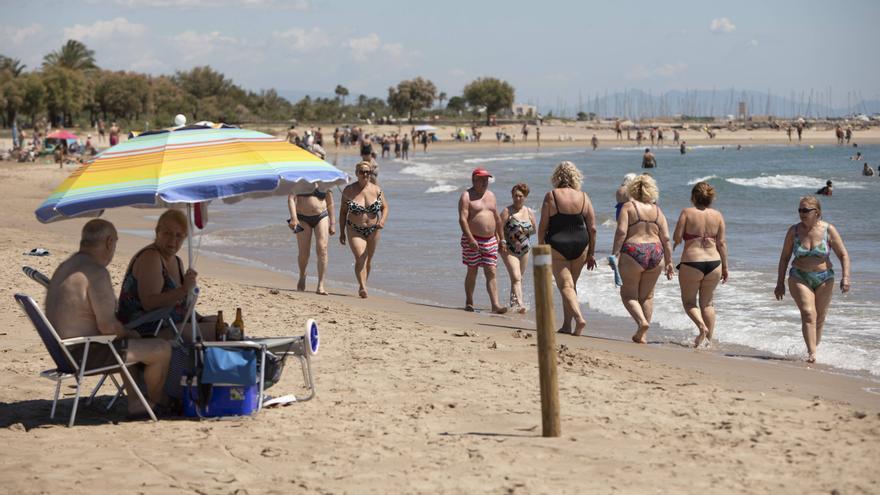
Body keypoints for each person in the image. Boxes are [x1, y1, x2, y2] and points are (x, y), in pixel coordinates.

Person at [46, 219, 171, 418]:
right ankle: (157, 404)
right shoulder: (95, 272)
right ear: (109, 242)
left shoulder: (65, 267)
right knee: (161, 349)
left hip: (63, 353)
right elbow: (108, 327)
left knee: (124, 343)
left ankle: (136, 402)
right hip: (84, 355)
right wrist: (130, 332)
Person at [117, 210, 217, 341]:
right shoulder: (151, 257)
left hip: (168, 323)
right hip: (143, 329)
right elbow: (149, 303)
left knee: (219, 323)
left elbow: (180, 305)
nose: (173, 240)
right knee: (217, 331)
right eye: (167, 233)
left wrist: (200, 319)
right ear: (157, 232)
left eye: (179, 235)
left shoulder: (177, 261)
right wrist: (183, 290)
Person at [774, 196, 851, 363]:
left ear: (817, 212)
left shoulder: (828, 230)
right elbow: (784, 258)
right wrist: (779, 283)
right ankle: (812, 354)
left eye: (805, 210)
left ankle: (813, 348)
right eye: (799, 210)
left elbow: (843, 255)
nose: (801, 213)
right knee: (809, 313)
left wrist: (846, 277)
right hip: (799, 276)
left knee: (820, 317)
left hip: (825, 278)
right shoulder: (794, 231)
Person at [612, 174, 674, 344]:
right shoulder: (658, 210)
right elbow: (666, 238)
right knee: (647, 297)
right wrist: (669, 261)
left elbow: (621, 232)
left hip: (634, 250)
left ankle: (642, 323)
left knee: (628, 295)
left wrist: (615, 253)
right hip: (656, 252)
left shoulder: (628, 207)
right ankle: (643, 335)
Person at [538, 161, 597, 335]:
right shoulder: (584, 197)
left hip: (558, 244)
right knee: (571, 286)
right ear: (576, 177)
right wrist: (591, 253)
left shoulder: (552, 195)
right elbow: (593, 228)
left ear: (556, 177)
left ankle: (579, 318)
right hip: (581, 244)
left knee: (565, 285)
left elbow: (542, 226)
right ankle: (566, 325)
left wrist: (541, 248)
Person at [672, 182, 729, 347]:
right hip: (714, 263)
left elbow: (677, 237)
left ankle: (701, 327)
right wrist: (725, 267)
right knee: (708, 303)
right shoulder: (718, 215)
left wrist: (676, 243)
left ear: (693, 197)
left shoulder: (687, 212)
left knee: (689, 302)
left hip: (692, 262)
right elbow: (722, 243)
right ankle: (708, 342)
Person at [458, 167, 507, 314]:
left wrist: (502, 239)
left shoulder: (491, 195)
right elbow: (462, 219)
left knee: (491, 271)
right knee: (472, 270)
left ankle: (495, 305)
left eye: (486, 179)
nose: (485, 182)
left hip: (490, 240)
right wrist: (470, 238)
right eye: (481, 179)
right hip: (472, 239)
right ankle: (469, 301)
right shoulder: (466, 196)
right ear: (474, 180)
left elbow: (497, 219)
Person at [339, 161, 388, 298]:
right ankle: (362, 287)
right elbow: (343, 212)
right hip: (354, 229)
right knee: (360, 257)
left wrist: (382, 221)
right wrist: (341, 232)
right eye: (362, 172)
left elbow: (385, 208)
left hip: (374, 229)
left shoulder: (377, 190)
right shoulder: (349, 190)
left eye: (368, 172)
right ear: (356, 173)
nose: (365, 174)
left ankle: (364, 283)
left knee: (368, 260)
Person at [287, 184, 336, 295]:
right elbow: (291, 199)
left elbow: (330, 203)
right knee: (304, 252)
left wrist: (333, 223)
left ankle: (321, 285)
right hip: (301, 218)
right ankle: (302, 274)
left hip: (321, 216)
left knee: (322, 248)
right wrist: (293, 218)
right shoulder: (299, 181)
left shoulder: (324, 181)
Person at [500, 183, 537, 313]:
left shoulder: (529, 211)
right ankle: (521, 305)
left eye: (520, 196)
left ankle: (513, 305)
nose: (517, 198)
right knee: (516, 277)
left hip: (525, 249)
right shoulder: (507, 211)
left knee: (518, 279)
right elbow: (498, 228)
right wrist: (503, 240)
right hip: (509, 249)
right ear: (512, 196)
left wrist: (522, 230)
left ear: (525, 197)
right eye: (515, 196)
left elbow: (534, 230)